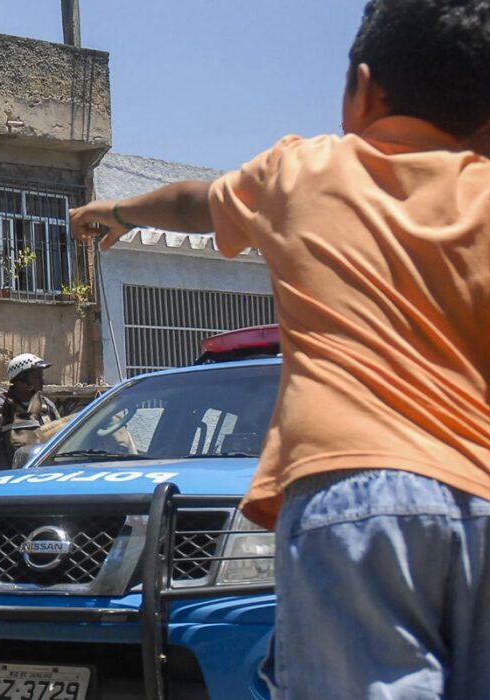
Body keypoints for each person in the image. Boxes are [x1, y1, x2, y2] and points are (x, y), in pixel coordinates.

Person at [71, 2, 490, 696]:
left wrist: (114, 211)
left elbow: (195, 204)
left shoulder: (305, 171)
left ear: (361, 89)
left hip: (353, 493)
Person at [0, 353, 59, 423]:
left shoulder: (47, 404)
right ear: (21, 380)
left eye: (41, 376)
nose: (42, 381)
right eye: (37, 377)